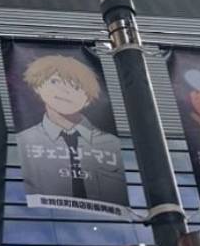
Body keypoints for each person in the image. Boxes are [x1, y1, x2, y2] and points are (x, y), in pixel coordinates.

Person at [15, 53, 127, 206]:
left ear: (88, 99)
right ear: (37, 87)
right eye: (55, 82)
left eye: (76, 86)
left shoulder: (111, 144)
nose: (64, 91)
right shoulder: (24, 141)